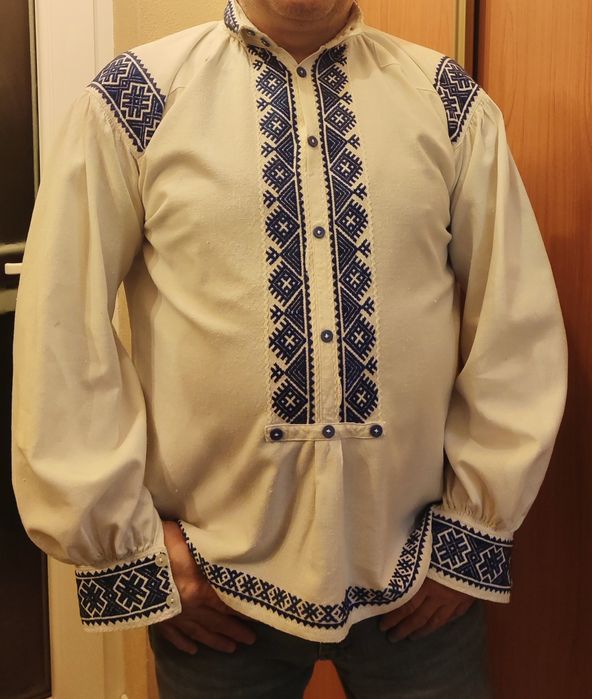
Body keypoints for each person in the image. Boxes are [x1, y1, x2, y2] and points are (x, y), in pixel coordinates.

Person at [11, 0, 568, 696]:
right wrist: (134, 550)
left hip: (419, 578)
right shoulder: (134, 101)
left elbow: (515, 321)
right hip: (212, 586)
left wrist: (474, 532)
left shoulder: (448, 102)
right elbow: (63, 329)